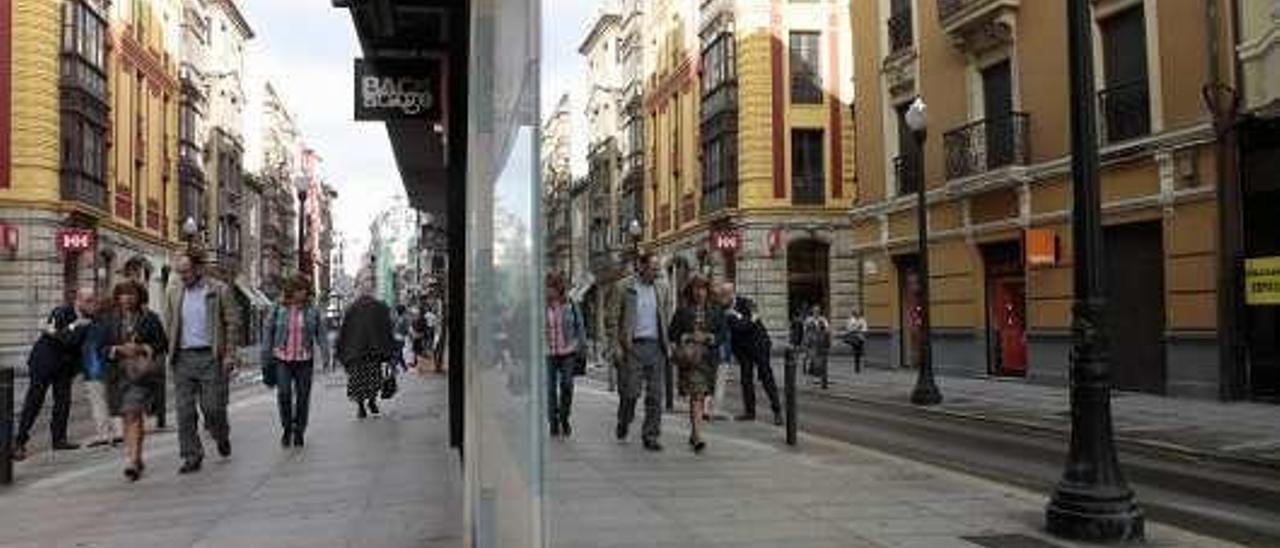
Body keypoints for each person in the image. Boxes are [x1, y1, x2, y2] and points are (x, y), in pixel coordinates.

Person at [163, 253, 241, 475]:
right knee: (184, 411)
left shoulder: (219, 290)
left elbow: (232, 322)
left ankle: (221, 434)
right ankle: (191, 455)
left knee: (212, 407)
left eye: (186, 271)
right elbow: (170, 322)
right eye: (180, 272)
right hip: (183, 357)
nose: (182, 276)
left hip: (210, 356)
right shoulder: (174, 291)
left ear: (198, 268)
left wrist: (229, 354)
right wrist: (171, 351)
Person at [12, 287, 98, 461]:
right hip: (44, 362)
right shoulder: (60, 312)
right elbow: (61, 338)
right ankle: (19, 441)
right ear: (78, 301)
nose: (92, 304)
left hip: (65, 367)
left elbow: (82, 343)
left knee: (63, 401)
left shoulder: (91, 319)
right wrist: (75, 325)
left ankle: (59, 439)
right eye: (88, 301)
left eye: (93, 300)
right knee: (34, 401)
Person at [102, 280, 168, 481]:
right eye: (123, 294)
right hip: (117, 375)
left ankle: (132, 460)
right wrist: (118, 349)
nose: (127, 298)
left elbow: (162, 343)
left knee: (132, 413)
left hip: (141, 375)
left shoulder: (150, 319)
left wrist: (141, 348)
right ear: (117, 297)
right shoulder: (109, 320)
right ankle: (136, 457)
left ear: (139, 296)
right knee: (126, 416)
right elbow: (100, 347)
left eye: (131, 294)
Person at [613, 253, 671, 452]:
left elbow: (665, 315)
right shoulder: (624, 287)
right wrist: (616, 347)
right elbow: (612, 320)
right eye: (653, 269)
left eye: (658, 269)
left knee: (655, 395)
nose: (657, 273)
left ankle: (651, 435)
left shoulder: (662, 288)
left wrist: (667, 344)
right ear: (641, 266)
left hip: (655, 346)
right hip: (632, 347)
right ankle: (624, 420)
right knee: (631, 393)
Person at [264, 276, 330, 448]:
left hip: (304, 360)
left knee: (302, 397)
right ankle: (287, 427)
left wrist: (325, 355)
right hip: (282, 359)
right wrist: (266, 356)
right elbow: (268, 332)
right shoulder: (278, 307)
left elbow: (321, 335)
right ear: (291, 291)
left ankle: (299, 430)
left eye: (304, 290)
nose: (302, 294)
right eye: (299, 290)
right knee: (284, 394)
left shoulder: (313, 310)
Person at [668, 274, 724, 453]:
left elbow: (723, 334)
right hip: (690, 359)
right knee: (697, 395)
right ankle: (698, 435)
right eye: (696, 289)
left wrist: (709, 337)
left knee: (703, 394)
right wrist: (688, 336)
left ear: (708, 291)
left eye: (702, 289)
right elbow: (672, 333)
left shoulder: (716, 310)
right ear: (690, 291)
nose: (699, 292)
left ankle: (694, 433)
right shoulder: (683, 310)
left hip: (709, 358)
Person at [336, 275, 397, 419]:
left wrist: (341, 350)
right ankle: (372, 401)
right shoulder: (381, 307)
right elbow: (387, 329)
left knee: (358, 380)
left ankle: (361, 406)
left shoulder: (351, 308)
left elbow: (345, 330)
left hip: (356, 351)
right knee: (373, 378)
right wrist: (389, 348)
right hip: (374, 351)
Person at [722, 283, 782, 425]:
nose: (722, 298)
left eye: (725, 294)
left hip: (759, 345)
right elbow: (743, 326)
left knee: (766, 376)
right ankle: (750, 412)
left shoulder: (746, 302)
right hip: (743, 350)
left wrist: (738, 316)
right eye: (721, 295)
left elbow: (747, 324)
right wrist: (749, 320)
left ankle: (777, 411)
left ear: (732, 293)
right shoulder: (724, 310)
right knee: (746, 379)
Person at [545, 272, 586, 437]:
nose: (549, 291)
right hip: (548, 352)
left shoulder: (571, 303)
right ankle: (553, 421)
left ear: (559, 288)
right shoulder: (542, 305)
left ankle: (564, 417)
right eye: (547, 287)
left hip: (568, 351)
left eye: (552, 288)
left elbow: (580, 326)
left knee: (567, 385)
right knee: (550, 389)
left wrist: (582, 347)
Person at [82, 294, 119, 449]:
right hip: (112, 368)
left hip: (94, 368)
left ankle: (104, 434)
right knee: (113, 401)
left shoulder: (94, 325)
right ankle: (118, 431)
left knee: (99, 403)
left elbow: (91, 348)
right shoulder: (116, 322)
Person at [804, 305, 831, 382]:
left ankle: (818, 376)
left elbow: (827, 330)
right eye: (815, 311)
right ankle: (813, 376)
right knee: (813, 358)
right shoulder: (809, 320)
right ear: (812, 311)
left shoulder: (823, 319)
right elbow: (805, 331)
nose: (816, 312)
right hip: (811, 343)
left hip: (820, 343)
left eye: (818, 311)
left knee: (819, 359)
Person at [844, 309, 868, 373]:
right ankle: (857, 367)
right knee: (856, 352)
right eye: (855, 313)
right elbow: (848, 328)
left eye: (857, 313)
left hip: (860, 337)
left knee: (858, 352)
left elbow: (865, 329)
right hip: (853, 337)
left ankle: (857, 365)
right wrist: (857, 329)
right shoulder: (851, 320)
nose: (856, 315)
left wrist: (857, 329)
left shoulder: (862, 320)